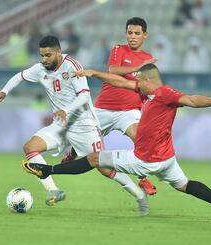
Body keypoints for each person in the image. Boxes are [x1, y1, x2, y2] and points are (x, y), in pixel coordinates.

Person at [22, 64, 211, 222]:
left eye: (139, 80)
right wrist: (94, 73)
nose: (136, 84)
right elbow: (120, 82)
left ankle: (47, 170)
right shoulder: (148, 94)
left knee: (94, 159)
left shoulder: (164, 94)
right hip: (167, 159)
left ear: (147, 80)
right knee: (185, 185)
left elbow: (191, 100)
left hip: (144, 160)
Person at [0, 36, 149, 213]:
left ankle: (139, 195)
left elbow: (84, 96)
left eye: (48, 55)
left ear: (59, 52)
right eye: (41, 55)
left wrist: (66, 110)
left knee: (104, 169)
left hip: (84, 125)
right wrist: (4, 91)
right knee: (30, 147)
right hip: (60, 125)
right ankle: (54, 190)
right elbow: (19, 76)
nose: (44, 59)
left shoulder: (73, 66)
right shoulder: (40, 69)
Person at [62, 17, 158, 196]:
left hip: (129, 112)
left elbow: (146, 87)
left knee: (139, 139)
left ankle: (142, 178)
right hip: (104, 109)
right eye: (130, 33)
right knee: (87, 140)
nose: (132, 36)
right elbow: (113, 70)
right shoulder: (119, 49)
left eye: (137, 33)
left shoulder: (148, 60)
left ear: (145, 35)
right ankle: (72, 154)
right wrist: (138, 67)